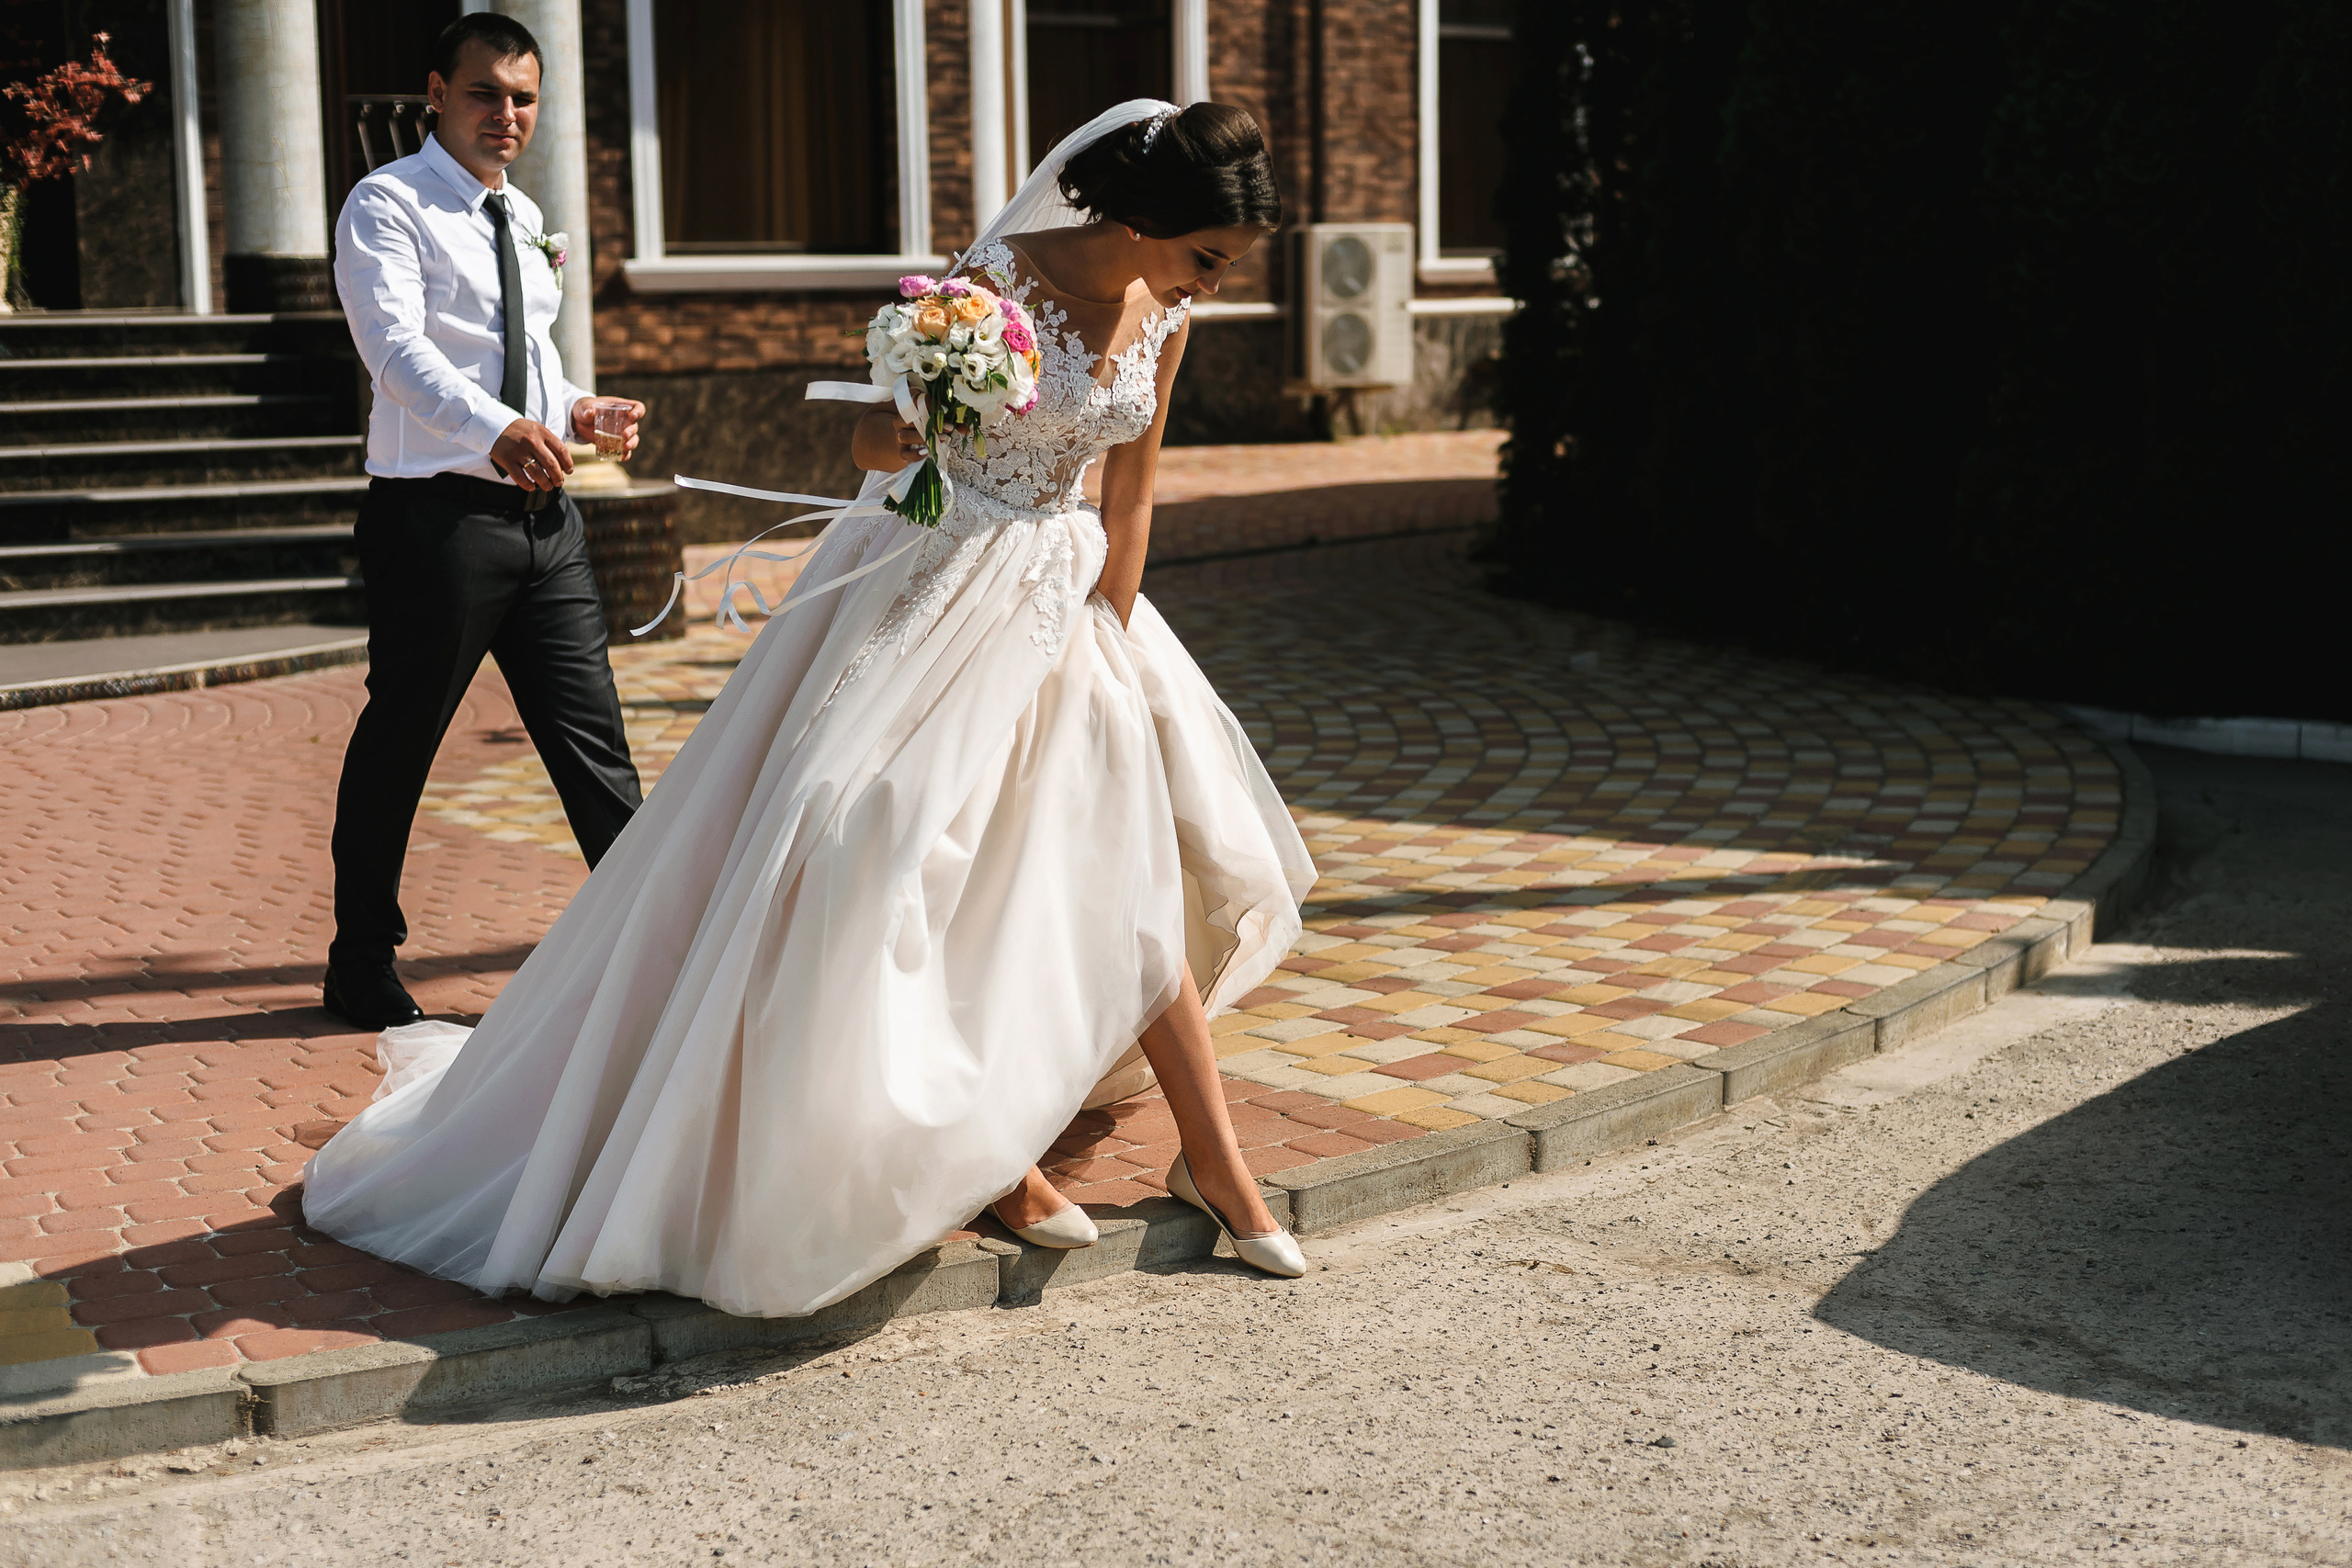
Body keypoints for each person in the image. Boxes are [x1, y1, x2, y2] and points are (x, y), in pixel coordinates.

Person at [303, 99, 1316, 1314]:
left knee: (1122, 859)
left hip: (1073, 597)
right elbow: (876, 452)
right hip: (937, 580)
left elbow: (1135, 490)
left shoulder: (1174, 306)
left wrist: (1114, 621)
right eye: (1207, 255)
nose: (1212, 281)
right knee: (862, 826)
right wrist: (915, 411)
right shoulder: (998, 279)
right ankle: (993, 1155)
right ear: (1150, 216)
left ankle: (1215, 1159)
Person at [322, 13, 649, 1030]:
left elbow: (529, 357)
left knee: (596, 750)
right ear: (436, 91)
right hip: (438, 525)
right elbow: (397, 352)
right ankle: (360, 960)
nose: (506, 115)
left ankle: (653, 952)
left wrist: (574, 410)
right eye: (485, 94)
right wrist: (496, 428)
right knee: (401, 744)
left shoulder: (527, 214)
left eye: (522, 98)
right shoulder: (389, 205)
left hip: (545, 529)